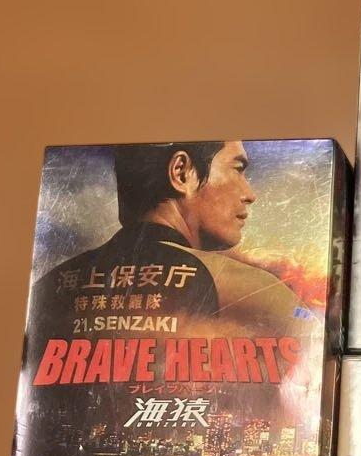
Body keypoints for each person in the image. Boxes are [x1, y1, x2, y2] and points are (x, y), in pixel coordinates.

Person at [36, 141, 302, 336]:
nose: (250, 194)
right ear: (182, 172)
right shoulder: (255, 291)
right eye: (238, 169)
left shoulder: (46, 289)